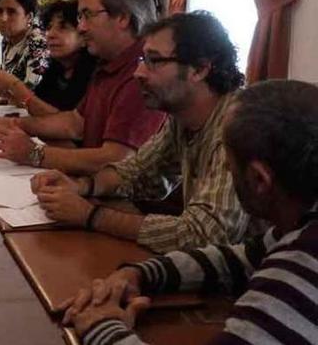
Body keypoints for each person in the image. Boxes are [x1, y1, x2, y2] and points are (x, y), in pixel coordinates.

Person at [63, 80, 318, 345]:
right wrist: (140, 275)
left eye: (230, 168)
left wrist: (101, 327)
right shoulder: (298, 227)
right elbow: (241, 260)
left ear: (259, 180)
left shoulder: (301, 264)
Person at [31, 12, 251, 252]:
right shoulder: (182, 117)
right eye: (142, 60)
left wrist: (91, 215)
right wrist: (83, 186)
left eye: (154, 61)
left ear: (199, 70)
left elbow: (205, 234)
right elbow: (138, 172)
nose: (139, 73)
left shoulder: (239, 128)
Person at [0, 0, 166, 175]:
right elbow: (75, 123)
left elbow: (117, 160)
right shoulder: (107, 63)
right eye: (79, 18)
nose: (82, 27)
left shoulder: (143, 72)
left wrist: (34, 154)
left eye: (87, 16)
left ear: (122, 17)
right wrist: (13, 124)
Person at [0, 0, 97, 115]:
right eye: (49, 27)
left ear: (84, 37)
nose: (50, 35)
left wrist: (14, 85)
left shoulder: (93, 74)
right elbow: (37, 105)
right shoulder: (57, 67)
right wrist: (6, 92)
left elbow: (64, 122)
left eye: (63, 28)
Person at [0, 0, 49, 90]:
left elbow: (34, 95)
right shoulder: (9, 38)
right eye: (0, 11)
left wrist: (7, 87)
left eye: (11, 12)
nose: (3, 18)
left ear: (29, 17)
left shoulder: (39, 44)